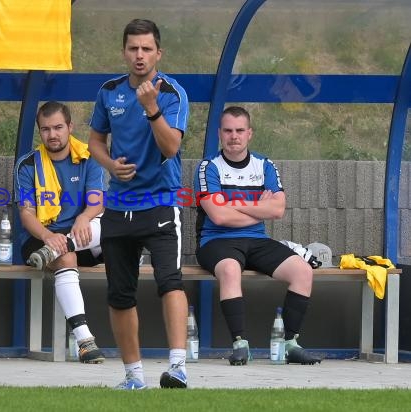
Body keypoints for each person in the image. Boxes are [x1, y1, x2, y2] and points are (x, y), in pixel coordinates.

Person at [88, 19, 190, 389]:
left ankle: (178, 366)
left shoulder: (172, 93)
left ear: (158, 53)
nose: (140, 55)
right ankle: (133, 376)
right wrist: (109, 164)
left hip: (161, 203)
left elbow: (171, 147)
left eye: (147, 49)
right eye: (133, 48)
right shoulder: (109, 91)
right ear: (124, 52)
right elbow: (95, 141)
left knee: (170, 281)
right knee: (119, 293)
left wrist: (151, 108)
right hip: (117, 206)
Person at [193, 106, 322, 366]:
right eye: (228, 131)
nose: (234, 136)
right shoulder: (209, 167)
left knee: (302, 271)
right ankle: (240, 345)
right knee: (230, 269)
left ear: (249, 133)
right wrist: (258, 210)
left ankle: (289, 344)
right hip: (216, 241)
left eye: (240, 130)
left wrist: (234, 204)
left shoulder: (264, 165)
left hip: (257, 241)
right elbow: (218, 217)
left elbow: (278, 209)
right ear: (219, 133)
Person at [14, 101, 105, 364]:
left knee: (117, 228)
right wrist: (47, 238)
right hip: (40, 240)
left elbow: (96, 201)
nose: (52, 135)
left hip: (83, 234)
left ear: (70, 127)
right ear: (39, 133)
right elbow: (27, 214)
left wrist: (84, 217)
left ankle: (59, 245)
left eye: (58, 127)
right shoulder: (28, 164)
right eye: (45, 129)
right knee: (66, 256)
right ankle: (85, 340)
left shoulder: (89, 156)